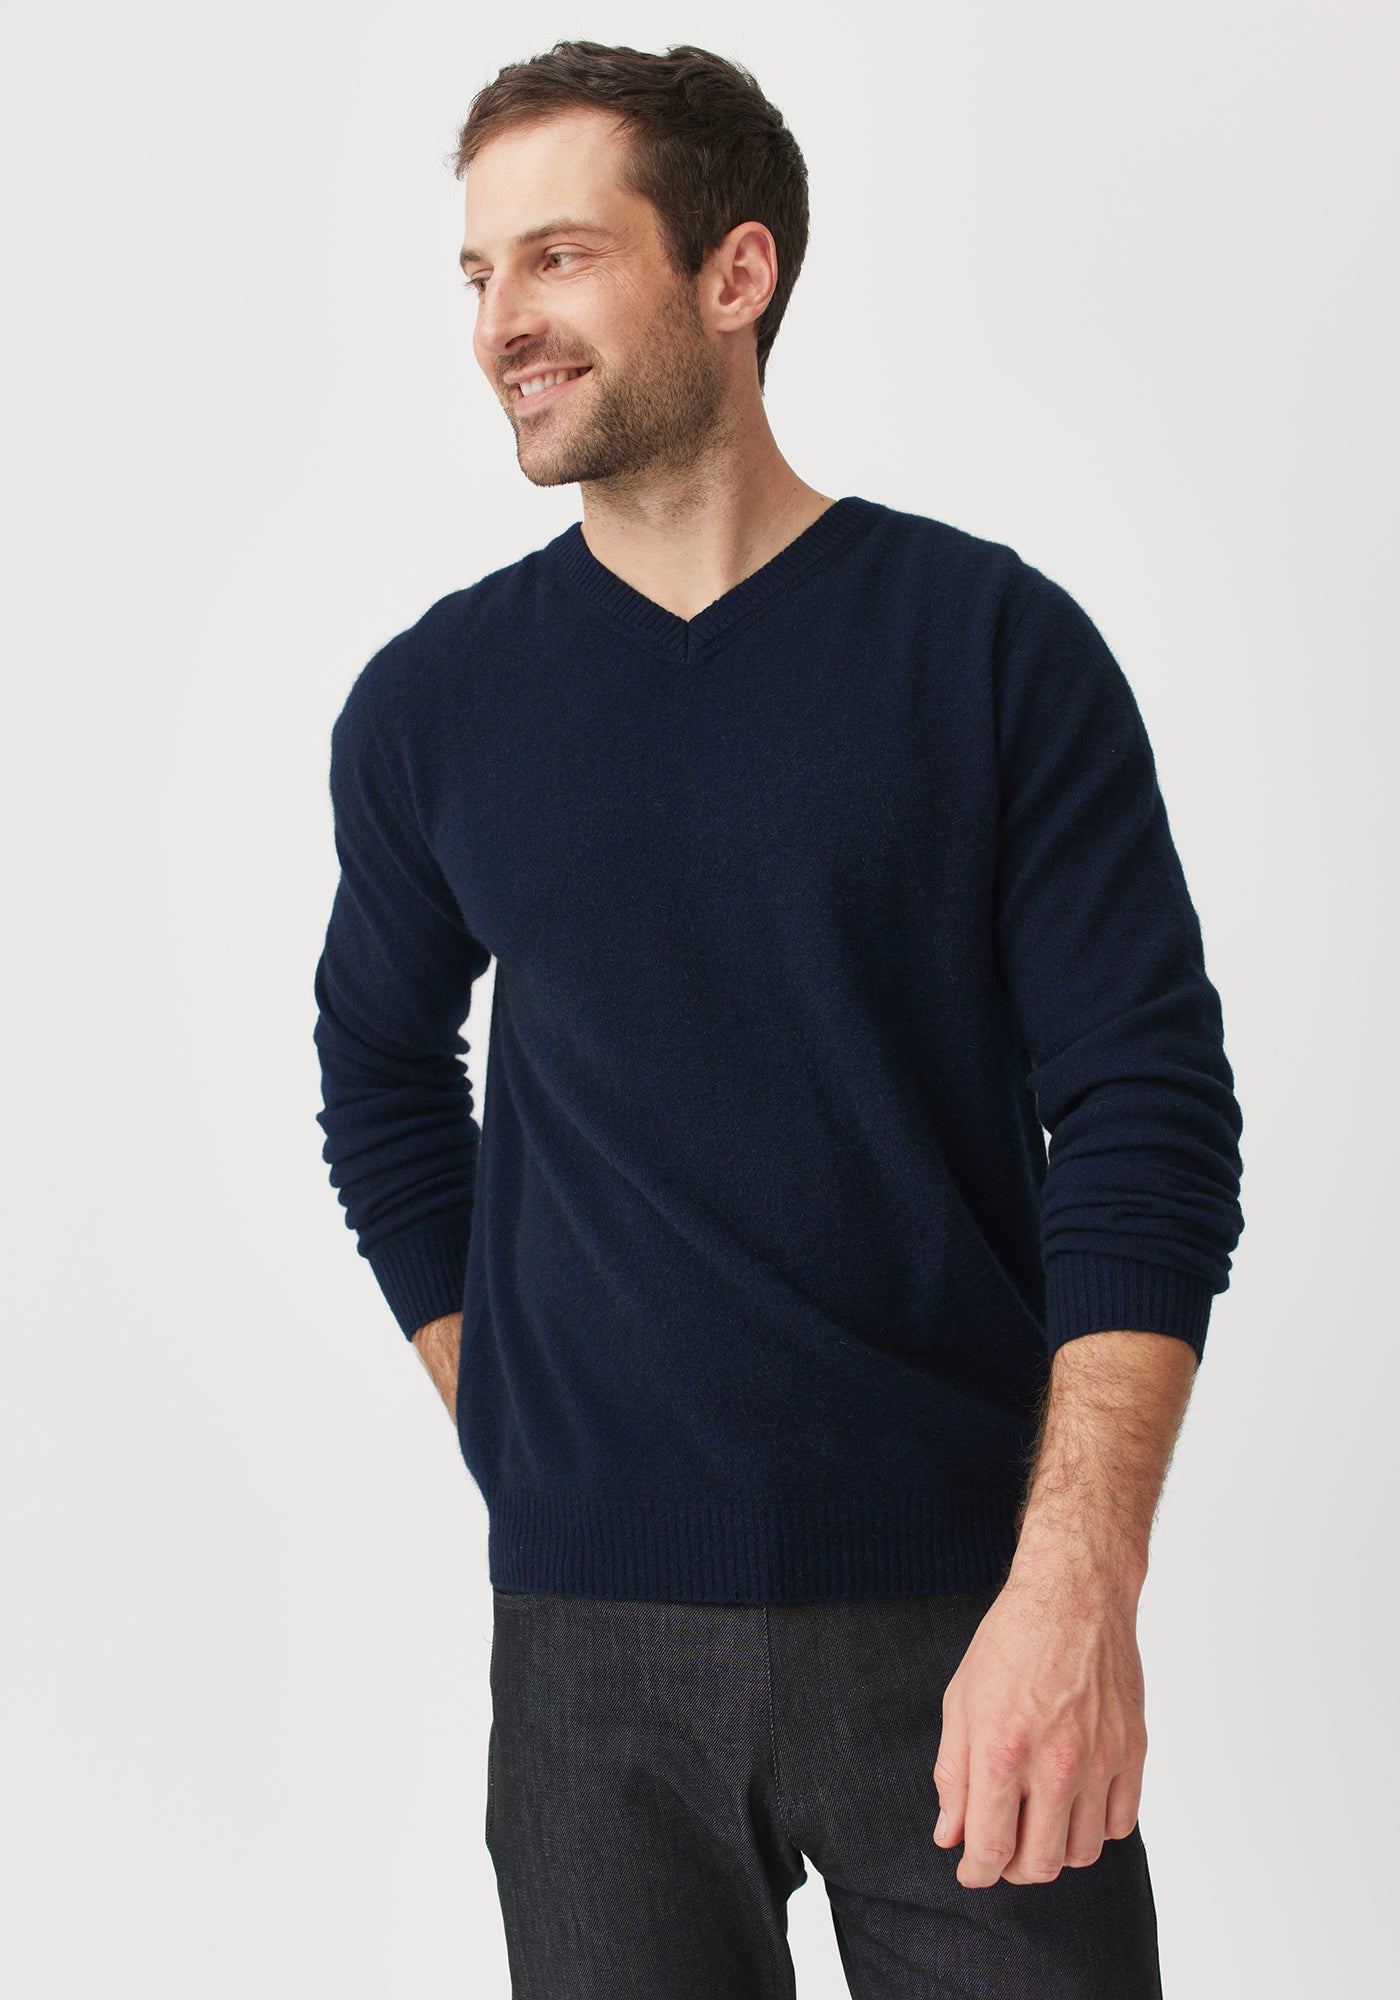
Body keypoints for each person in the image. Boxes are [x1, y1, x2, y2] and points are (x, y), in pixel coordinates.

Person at [311, 39, 1244, 1999]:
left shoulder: (989, 651)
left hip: (963, 1617)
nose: (500, 323)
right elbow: (380, 1073)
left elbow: (1145, 1111)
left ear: (735, 273)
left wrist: (1077, 1587)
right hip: (588, 1654)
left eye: (558, 256)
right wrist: (513, 1414)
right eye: (477, 273)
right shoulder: (433, 707)